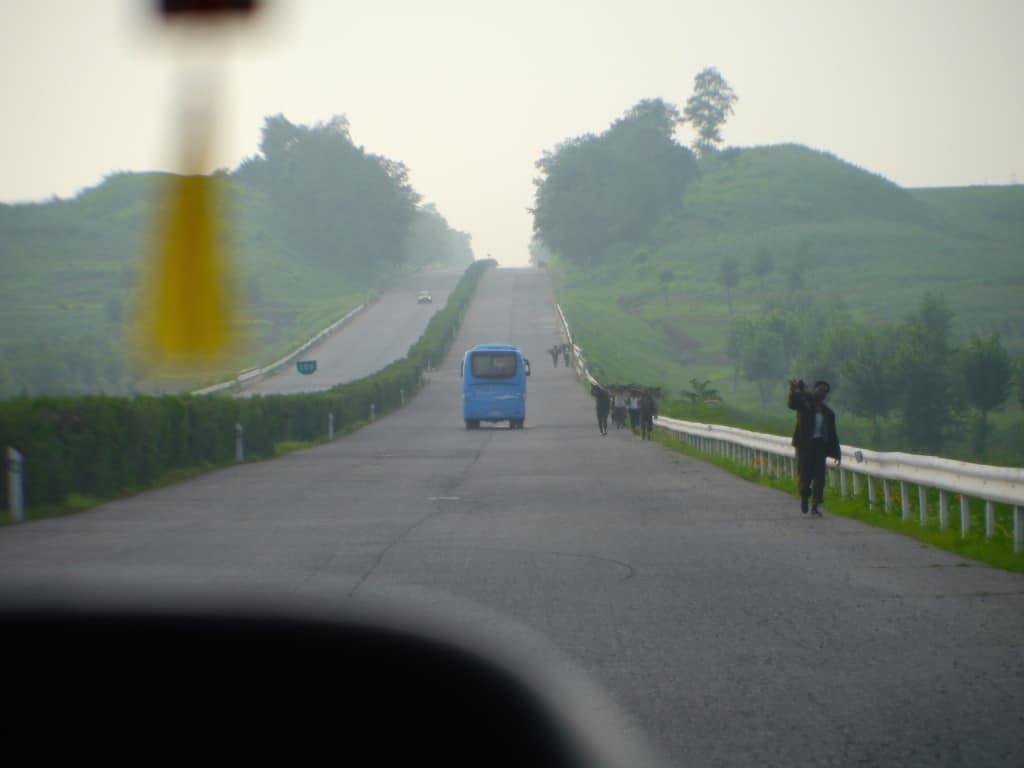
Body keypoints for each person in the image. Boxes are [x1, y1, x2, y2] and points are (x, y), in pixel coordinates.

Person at [788, 378, 841, 516]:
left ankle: (815, 505)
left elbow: (832, 434)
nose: (822, 393)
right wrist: (794, 390)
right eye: (820, 390)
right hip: (805, 446)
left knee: (819, 478)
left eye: (825, 391)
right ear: (814, 389)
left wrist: (837, 453)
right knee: (804, 475)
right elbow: (792, 403)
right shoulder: (804, 405)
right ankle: (805, 497)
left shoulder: (828, 413)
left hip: (820, 447)